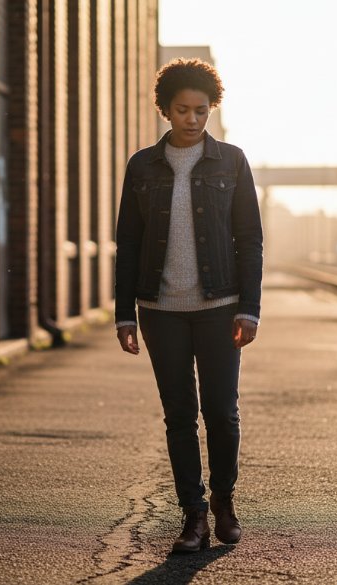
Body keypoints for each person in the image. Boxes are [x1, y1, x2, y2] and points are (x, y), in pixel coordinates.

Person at [114, 58, 263, 553]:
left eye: (201, 110)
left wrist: (249, 308)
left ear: (211, 107)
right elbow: (128, 243)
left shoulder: (232, 161)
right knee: (179, 414)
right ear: (165, 109)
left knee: (221, 411)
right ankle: (193, 515)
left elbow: (250, 239)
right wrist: (123, 312)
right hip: (160, 310)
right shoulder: (142, 166)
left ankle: (224, 499)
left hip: (221, 306)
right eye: (183, 110)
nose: (193, 119)